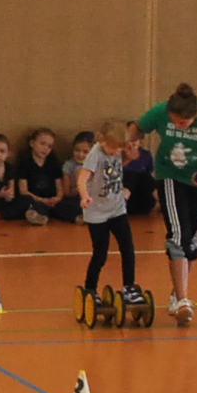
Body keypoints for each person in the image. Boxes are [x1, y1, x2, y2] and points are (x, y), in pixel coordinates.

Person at [136, 83, 197, 322]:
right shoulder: (160, 111)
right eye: (175, 122)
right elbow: (138, 128)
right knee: (178, 234)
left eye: (184, 122)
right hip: (171, 175)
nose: (179, 125)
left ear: (195, 115)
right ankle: (183, 299)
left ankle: (176, 295)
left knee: (192, 241)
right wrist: (124, 145)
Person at [78, 116, 142, 317]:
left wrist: (130, 158)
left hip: (117, 208)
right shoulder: (95, 154)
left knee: (128, 248)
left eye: (119, 149)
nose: (116, 152)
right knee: (100, 253)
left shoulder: (116, 150)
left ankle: (129, 286)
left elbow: (115, 169)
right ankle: (90, 288)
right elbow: (82, 177)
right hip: (97, 212)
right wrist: (84, 196)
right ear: (103, 140)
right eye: (113, 148)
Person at [17, 127, 67, 225]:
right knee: (30, 203)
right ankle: (37, 216)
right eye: (42, 144)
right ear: (32, 143)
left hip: (52, 200)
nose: (46, 148)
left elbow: (60, 188)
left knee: (64, 206)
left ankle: (78, 216)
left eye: (49, 146)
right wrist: (42, 200)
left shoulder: (54, 163)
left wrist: (57, 198)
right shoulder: (25, 163)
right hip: (36, 199)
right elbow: (23, 191)